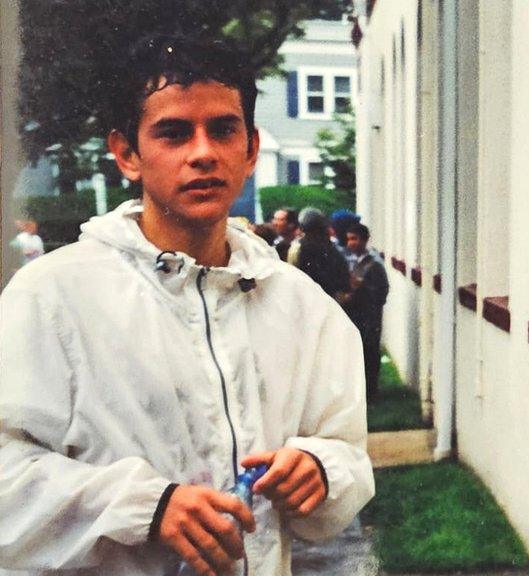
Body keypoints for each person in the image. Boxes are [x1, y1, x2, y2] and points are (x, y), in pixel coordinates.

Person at [0, 34, 373, 576]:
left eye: (223, 129)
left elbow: (347, 450)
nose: (203, 153)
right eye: (174, 133)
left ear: (249, 150)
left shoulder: (301, 308)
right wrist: (146, 507)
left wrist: (321, 468)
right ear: (127, 153)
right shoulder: (54, 298)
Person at [340, 223, 389, 399]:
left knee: (370, 350)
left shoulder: (374, 263)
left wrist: (364, 288)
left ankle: (371, 390)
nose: (350, 243)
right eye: (348, 239)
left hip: (369, 314)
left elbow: (382, 290)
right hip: (352, 311)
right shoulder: (346, 260)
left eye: (354, 239)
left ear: (365, 240)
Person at [293, 208, 350, 304]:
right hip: (329, 301)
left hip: (306, 299)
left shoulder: (297, 247)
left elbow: (293, 273)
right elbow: (343, 279)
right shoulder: (333, 249)